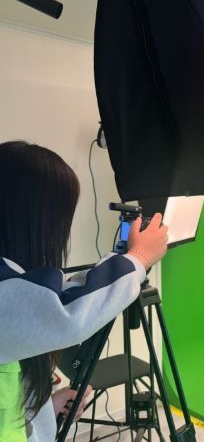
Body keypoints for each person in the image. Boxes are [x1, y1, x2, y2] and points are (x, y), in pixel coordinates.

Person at [0, 140, 169, 441]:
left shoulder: (14, 286)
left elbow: (52, 299)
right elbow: (65, 313)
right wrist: (139, 258)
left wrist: (44, 409)